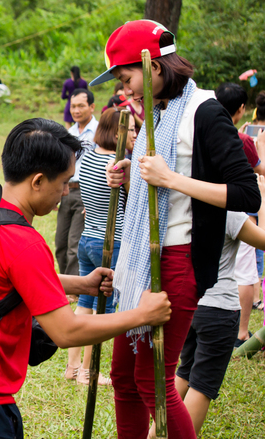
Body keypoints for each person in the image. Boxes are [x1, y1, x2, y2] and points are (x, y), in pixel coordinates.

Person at [0, 118, 171, 439]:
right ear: (38, 180)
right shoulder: (24, 243)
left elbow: (0, 277)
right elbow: (67, 331)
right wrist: (142, 315)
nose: (66, 192)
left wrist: (80, 284)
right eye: (65, 182)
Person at [96, 20, 260, 438]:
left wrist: (170, 179)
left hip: (178, 262)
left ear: (153, 67)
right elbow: (165, 191)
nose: (126, 89)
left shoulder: (203, 111)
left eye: (127, 76)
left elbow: (246, 194)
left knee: (153, 380)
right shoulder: (161, 112)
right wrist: (135, 177)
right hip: (139, 261)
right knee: (123, 376)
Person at [143, 175, 265, 438]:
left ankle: (153, 435)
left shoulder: (182, 205)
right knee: (203, 386)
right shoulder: (229, 212)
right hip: (220, 309)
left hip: (188, 305)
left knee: (184, 372)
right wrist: (262, 204)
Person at [65, 108, 136, 385]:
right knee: (103, 312)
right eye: (129, 131)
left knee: (84, 304)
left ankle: (71, 368)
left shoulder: (89, 157)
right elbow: (130, 204)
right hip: (111, 242)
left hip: (86, 238)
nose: (132, 135)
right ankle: (88, 371)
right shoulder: (118, 164)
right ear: (117, 133)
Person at [215, 82, 265, 344]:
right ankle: (241, 332)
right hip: (240, 212)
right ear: (242, 109)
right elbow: (260, 170)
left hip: (210, 208)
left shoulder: (205, 135)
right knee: (245, 271)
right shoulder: (243, 141)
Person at [55, 88, 97, 280]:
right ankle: (63, 282)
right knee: (60, 243)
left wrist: (93, 199)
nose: (76, 110)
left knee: (74, 243)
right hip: (66, 191)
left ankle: (74, 287)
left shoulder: (98, 132)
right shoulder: (68, 132)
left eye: (81, 106)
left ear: (92, 107)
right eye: (73, 106)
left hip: (85, 192)